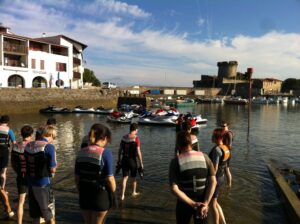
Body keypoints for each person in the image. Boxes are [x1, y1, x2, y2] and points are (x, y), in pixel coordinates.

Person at [169, 131, 217, 224]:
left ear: (178, 144)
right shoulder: (205, 157)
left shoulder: (175, 162)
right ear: (191, 143)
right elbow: (213, 182)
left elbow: (174, 189)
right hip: (202, 202)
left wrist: (193, 204)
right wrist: (206, 203)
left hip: (184, 203)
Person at [75, 123, 116, 224]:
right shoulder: (105, 153)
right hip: (100, 195)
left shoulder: (80, 153)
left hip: (84, 194)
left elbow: (77, 178)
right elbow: (110, 179)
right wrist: (114, 196)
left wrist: (80, 192)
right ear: (105, 138)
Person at [25, 125, 57, 224]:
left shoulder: (29, 145)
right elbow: (52, 169)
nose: (54, 140)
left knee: (35, 214)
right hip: (43, 183)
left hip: (31, 183)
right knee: (48, 214)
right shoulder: (49, 147)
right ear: (50, 134)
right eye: (54, 137)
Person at [11, 125, 34, 224]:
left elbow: (13, 163)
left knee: (21, 201)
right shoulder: (34, 146)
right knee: (36, 200)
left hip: (21, 176)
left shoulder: (16, 146)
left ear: (21, 134)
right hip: (33, 176)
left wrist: (19, 172)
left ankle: (19, 222)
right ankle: (38, 219)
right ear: (31, 135)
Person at [209, 128, 230, 224]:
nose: (211, 137)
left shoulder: (217, 149)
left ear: (217, 138)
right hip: (221, 177)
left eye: (213, 136)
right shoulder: (225, 148)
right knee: (215, 202)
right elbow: (224, 166)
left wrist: (211, 180)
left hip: (216, 178)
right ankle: (224, 222)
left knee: (212, 205)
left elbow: (215, 167)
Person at [117, 123, 143, 201]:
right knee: (133, 178)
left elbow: (120, 150)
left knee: (124, 178)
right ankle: (134, 192)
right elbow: (138, 152)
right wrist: (141, 163)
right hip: (132, 160)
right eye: (137, 130)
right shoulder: (136, 139)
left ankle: (122, 195)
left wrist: (119, 160)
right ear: (135, 130)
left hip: (124, 159)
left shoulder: (123, 137)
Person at [0, 115, 16, 218]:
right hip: (4, 151)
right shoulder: (9, 130)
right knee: (3, 172)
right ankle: (3, 186)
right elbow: (14, 143)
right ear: (8, 122)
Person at [221, 121, 234, 188]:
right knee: (224, 169)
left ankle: (229, 184)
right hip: (224, 152)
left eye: (224, 126)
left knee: (226, 169)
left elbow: (230, 145)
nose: (222, 127)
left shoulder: (229, 134)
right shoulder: (224, 133)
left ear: (227, 126)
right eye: (222, 126)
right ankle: (225, 184)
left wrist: (225, 148)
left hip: (226, 153)